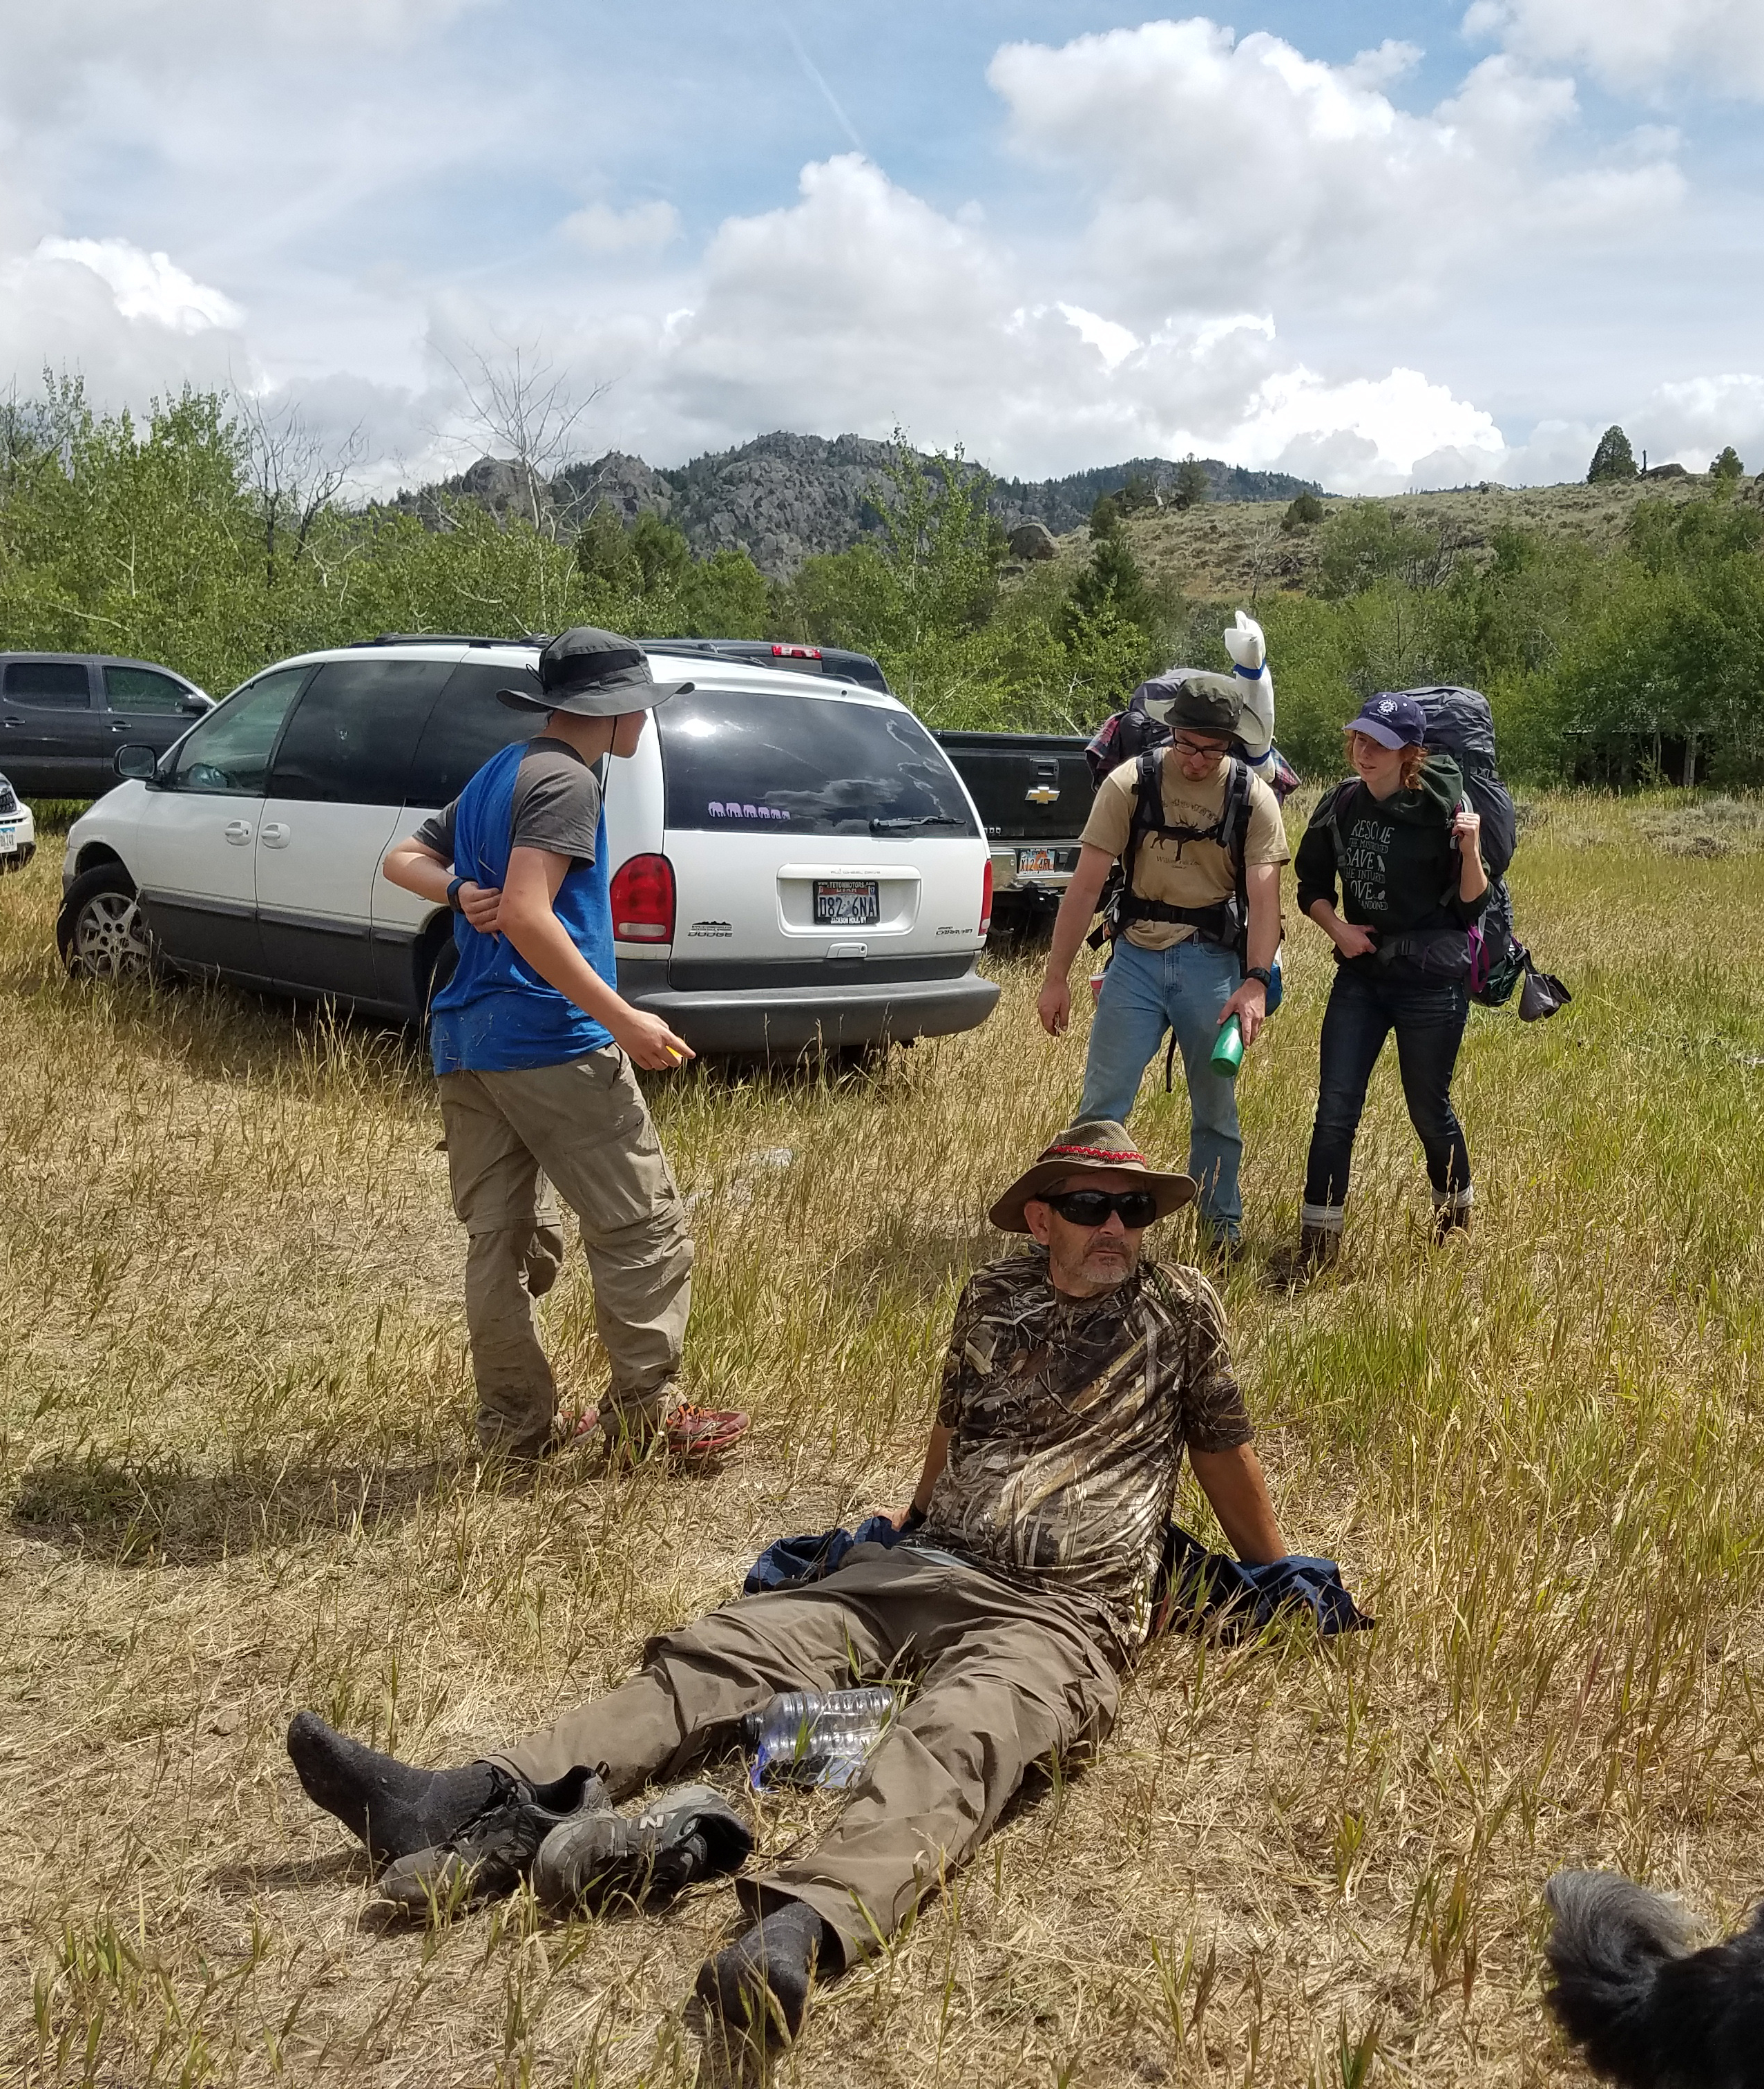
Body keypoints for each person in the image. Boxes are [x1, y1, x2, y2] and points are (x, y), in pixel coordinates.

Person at [283, 1118, 1292, 2049]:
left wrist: (1273, 1569)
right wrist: (912, 1510)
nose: (1118, 1226)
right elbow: (955, 1421)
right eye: (1090, 1205)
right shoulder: (991, 1294)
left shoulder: (1178, 1311)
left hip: (1061, 1611)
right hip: (931, 1561)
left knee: (962, 1734)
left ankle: (795, 1937)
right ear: (1042, 1217)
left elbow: (1223, 1449)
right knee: (724, 1650)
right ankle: (476, 1801)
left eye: (1135, 1209)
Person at [377, 627, 746, 1465]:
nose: (647, 724)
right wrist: (625, 1019)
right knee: (642, 1225)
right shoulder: (567, 784)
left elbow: (402, 859)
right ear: (611, 713)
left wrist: (460, 888)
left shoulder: (501, 771)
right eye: (641, 709)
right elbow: (531, 915)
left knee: (497, 1241)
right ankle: (644, 1419)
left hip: (466, 1038)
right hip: (549, 1038)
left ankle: (512, 1429)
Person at [1037, 680, 1286, 1255]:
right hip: (1136, 963)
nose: (1196, 760)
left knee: (1216, 1111)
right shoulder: (1131, 784)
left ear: (1232, 743)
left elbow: (1267, 900)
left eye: (1211, 750)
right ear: (1169, 731)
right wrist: (1056, 978)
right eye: (1185, 744)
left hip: (1213, 966)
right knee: (1102, 1106)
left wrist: (1254, 982)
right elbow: (1085, 886)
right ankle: (1081, 1224)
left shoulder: (1252, 798)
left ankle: (1220, 1233)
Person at [1290, 691, 1489, 1272]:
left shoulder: (1443, 807)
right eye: (1357, 739)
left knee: (1429, 1110)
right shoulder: (1341, 804)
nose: (1362, 751)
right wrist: (1340, 930)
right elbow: (1310, 886)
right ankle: (1317, 1253)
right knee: (1335, 1111)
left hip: (1431, 983)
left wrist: (1472, 848)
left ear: (1409, 753)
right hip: (1361, 976)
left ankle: (1454, 1233)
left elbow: (1474, 905)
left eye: (1377, 743)